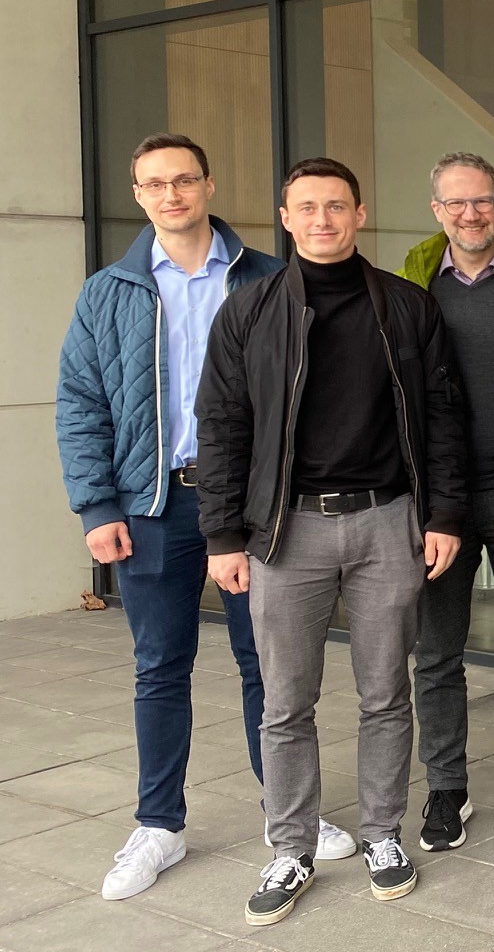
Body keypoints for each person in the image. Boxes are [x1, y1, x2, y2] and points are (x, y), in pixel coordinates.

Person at [55, 134, 345, 901]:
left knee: (268, 665)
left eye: (183, 180)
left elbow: (313, 397)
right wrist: (96, 504)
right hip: (152, 504)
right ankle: (159, 825)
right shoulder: (108, 292)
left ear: (209, 185)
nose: (171, 194)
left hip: (253, 506)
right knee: (160, 666)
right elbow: (81, 403)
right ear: (138, 194)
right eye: (154, 184)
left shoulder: (271, 279)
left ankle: (287, 811)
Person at [197, 157, 466, 927]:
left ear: (359, 213)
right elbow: (220, 425)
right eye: (307, 207)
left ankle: (383, 834)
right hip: (286, 530)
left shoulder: (407, 308)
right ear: (286, 218)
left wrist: (444, 515)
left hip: (388, 521)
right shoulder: (249, 311)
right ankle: (290, 848)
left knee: (386, 693)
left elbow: (444, 418)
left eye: (336, 206)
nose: (322, 219)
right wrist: (223, 534)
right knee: (286, 701)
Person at [396, 152, 494, 852]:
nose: (471, 214)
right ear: (437, 211)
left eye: (483, 200)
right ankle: (446, 787)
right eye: (456, 203)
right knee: (436, 651)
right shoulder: (412, 287)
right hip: (439, 500)